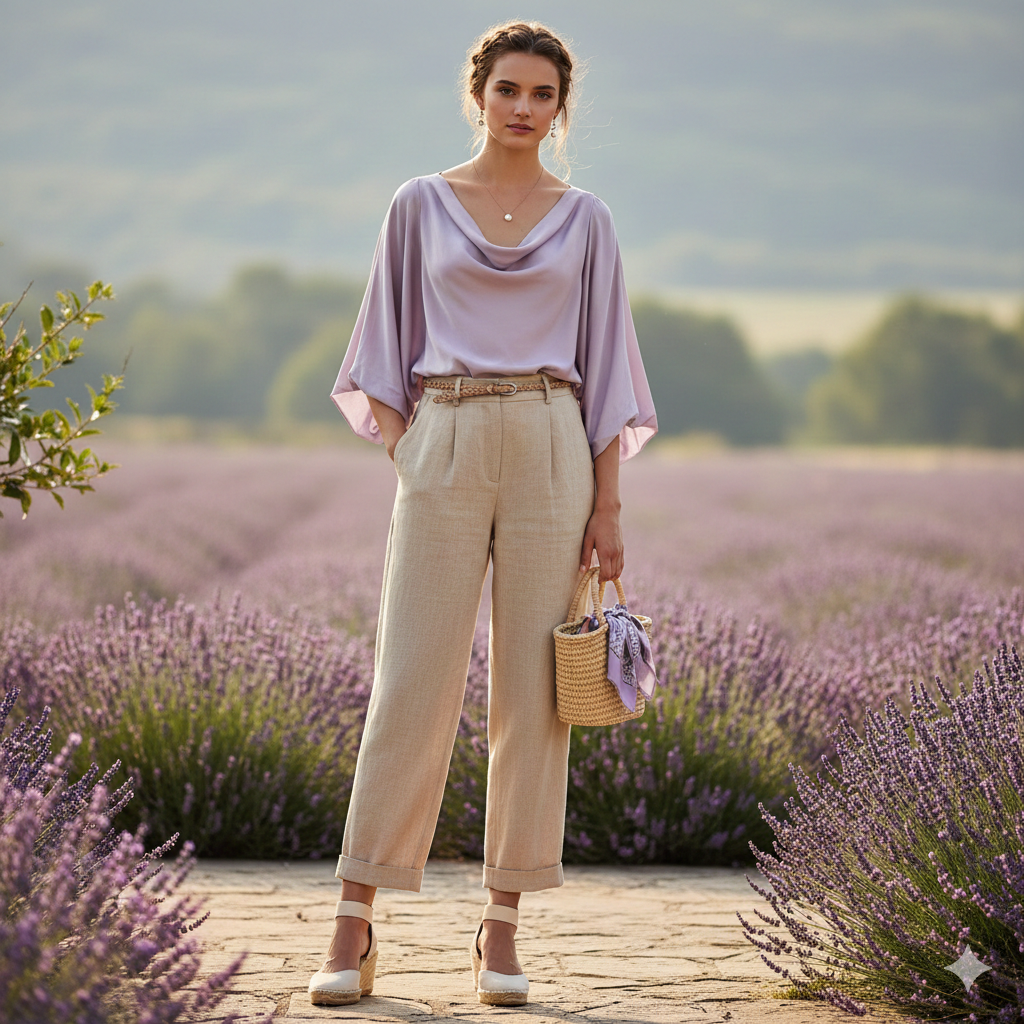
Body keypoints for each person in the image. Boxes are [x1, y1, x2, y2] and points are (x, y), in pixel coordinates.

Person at [307, 19, 657, 1009]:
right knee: (409, 678)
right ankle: (354, 916)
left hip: (554, 440)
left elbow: (603, 368)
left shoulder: (585, 219)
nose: (523, 108)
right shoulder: (417, 205)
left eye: (542, 95)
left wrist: (610, 507)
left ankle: (500, 926)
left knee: (535, 698)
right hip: (447, 430)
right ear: (478, 95)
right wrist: (414, 447)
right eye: (507, 89)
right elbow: (380, 345)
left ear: (559, 108)